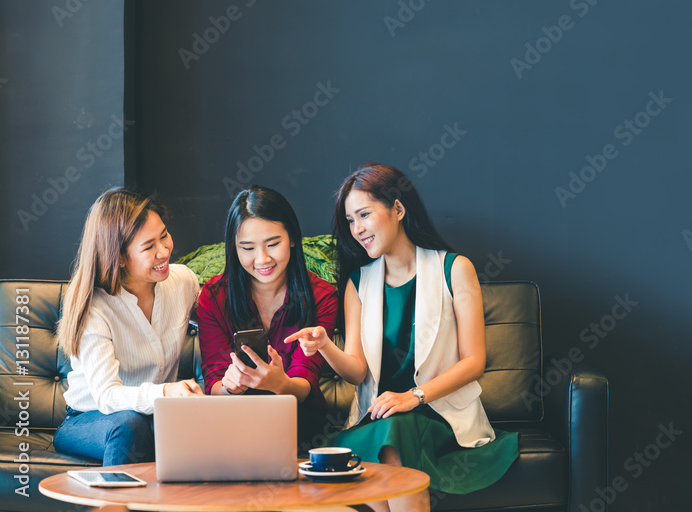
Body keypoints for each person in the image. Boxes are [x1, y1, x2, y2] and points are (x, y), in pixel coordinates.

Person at [285, 163, 518, 512]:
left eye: (364, 214)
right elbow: (357, 372)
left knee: (396, 433)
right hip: (379, 419)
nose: (357, 229)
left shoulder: (454, 268)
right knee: (391, 432)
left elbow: (474, 362)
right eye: (350, 221)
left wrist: (414, 396)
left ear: (398, 208)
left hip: (438, 416)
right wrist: (324, 347)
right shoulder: (357, 283)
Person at [54, 188, 204, 466]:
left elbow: (219, 323)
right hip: (91, 418)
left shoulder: (183, 282)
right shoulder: (94, 306)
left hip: (154, 416)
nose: (164, 251)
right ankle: (114, 507)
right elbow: (108, 397)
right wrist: (166, 392)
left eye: (164, 235)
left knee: (178, 425)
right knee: (129, 424)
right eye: (149, 247)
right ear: (119, 256)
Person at [197, 186, 338, 447]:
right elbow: (214, 382)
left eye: (273, 244)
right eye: (247, 248)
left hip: (298, 417)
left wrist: (280, 384)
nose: (262, 259)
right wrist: (230, 387)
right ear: (234, 248)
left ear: (292, 238)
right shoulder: (214, 297)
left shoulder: (321, 296)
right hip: (233, 420)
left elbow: (305, 382)